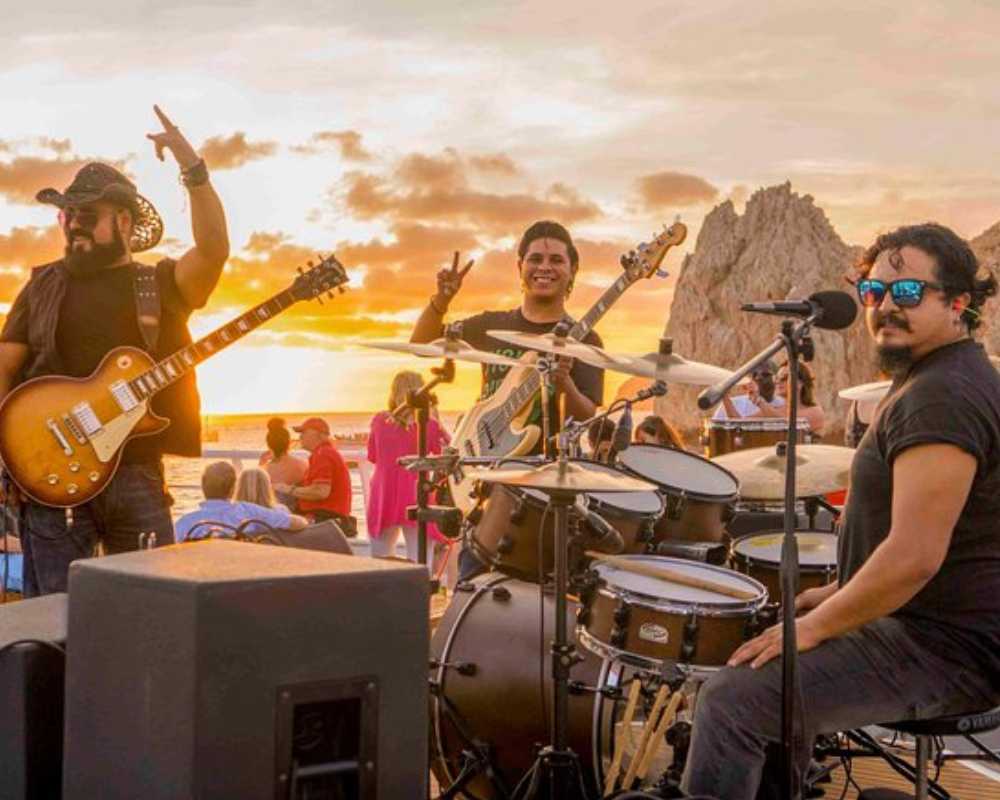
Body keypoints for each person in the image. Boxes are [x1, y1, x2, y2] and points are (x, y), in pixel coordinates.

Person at [681, 222, 1000, 800]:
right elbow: (951, 547)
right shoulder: (937, 379)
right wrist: (831, 599)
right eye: (874, 293)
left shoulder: (942, 396)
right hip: (930, 626)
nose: (884, 307)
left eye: (906, 293)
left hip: (945, 649)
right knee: (766, 659)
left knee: (733, 702)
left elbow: (914, 558)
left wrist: (817, 628)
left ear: (958, 303)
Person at [0, 106, 230, 597]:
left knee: (151, 616)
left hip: (137, 476)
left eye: (85, 216)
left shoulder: (159, 284)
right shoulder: (41, 285)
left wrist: (194, 170)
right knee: (56, 623)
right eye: (66, 216)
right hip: (48, 480)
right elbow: (4, 368)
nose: (72, 227)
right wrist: (12, 459)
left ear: (123, 220)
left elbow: (212, 251)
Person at [411, 221, 605, 580]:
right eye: (535, 258)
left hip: (543, 490)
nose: (544, 267)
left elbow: (588, 412)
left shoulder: (587, 339)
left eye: (556, 260)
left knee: (540, 595)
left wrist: (563, 382)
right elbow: (422, 344)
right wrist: (441, 301)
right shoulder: (490, 326)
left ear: (572, 271)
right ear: (520, 267)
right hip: (484, 476)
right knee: (472, 585)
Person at [366, 371, 453, 578]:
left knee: (379, 562)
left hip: (384, 494)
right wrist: (436, 417)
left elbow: (372, 456)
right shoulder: (429, 425)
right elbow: (447, 451)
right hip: (416, 494)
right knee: (420, 563)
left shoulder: (379, 421)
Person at [176, 462, 307, 541]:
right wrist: (305, 521)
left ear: (203, 486)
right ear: (233, 488)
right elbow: (297, 523)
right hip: (242, 577)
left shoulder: (184, 523)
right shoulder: (249, 511)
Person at [272, 417, 355, 535]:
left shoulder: (323, 455)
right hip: (328, 516)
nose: (300, 437)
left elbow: (321, 492)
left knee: (274, 521)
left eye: (304, 433)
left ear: (320, 435)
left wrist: (288, 489)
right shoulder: (323, 453)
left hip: (324, 519)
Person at [712, 359, 786, 420]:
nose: (758, 378)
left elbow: (741, 424)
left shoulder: (783, 404)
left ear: (776, 379)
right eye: (754, 374)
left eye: (765, 375)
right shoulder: (735, 403)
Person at [259, 417, 308, 508]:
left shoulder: (263, 467)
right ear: (289, 442)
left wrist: (262, 462)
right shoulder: (301, 465)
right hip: (292, 514)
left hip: (268, 512)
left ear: (269, 443)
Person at [772, 359, 826, 436]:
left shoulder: (815, 412)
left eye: (784, 378)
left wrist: (760, 402)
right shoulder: (774, 409)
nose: (778, 382)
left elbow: (790, 424)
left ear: (800, 383)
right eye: (776, 378)